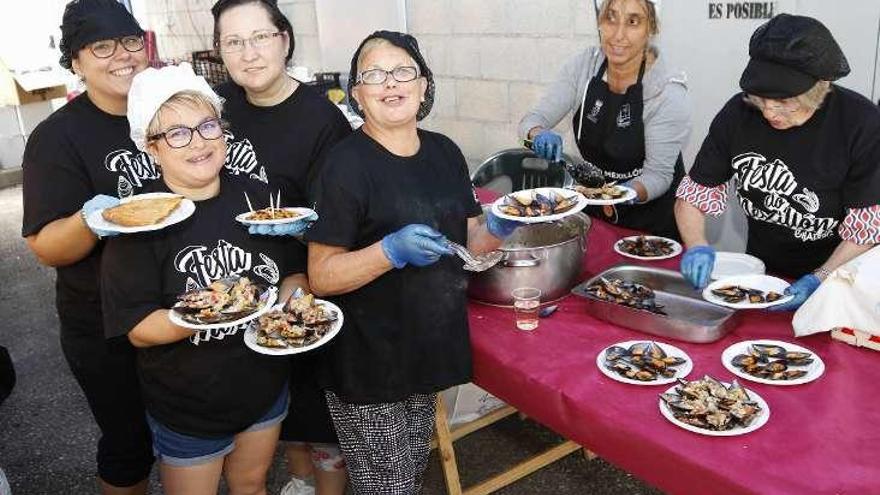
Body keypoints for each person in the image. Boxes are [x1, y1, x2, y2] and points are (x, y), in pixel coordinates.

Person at [303, 31, 520, 493]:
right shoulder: (343, 166)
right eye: (374, 75)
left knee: (406, 470)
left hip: (427, 345)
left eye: (402, 70)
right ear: (358, 94)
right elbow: (321, 275)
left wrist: (501, 225)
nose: (390, 83)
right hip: (369, 360)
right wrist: (388, 252)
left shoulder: (444, 152)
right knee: (388, 484)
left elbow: (472, 241)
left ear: (423, 84)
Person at [100, 63, 306, 495]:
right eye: (176, 133)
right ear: (150, 148)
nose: (197, 142)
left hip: (263, 388)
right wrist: (216, 313)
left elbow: (291, 271)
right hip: (187, 406)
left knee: (251, 485)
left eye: (207, 125)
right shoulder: (141, 223)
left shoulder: (257, 200)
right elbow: (137, 328)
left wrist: (292, 306)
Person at [211, 1, 352, 493]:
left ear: (285, 40)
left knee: (313, 400)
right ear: (220, 51)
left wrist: (294, 238)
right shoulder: (217, 107)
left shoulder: (321, 120)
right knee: (275, 402)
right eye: (234, 42)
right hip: (234, 278)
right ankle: (297, 481)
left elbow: (338, 220)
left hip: (301, 277)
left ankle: (326, 484)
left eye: (260, 38)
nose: (248, 54)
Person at [21, 1, 155, 492]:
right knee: (129, 445)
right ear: (75, 60)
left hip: (174, 309)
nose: (121, 56)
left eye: (129, 42)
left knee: (197, 431)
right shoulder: (58, 138)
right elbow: (46, 248)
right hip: (103, 325)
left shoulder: (165, 113)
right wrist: (92, 220)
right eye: (101, 46)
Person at [675, 13, 880, 311]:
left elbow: (868, 228)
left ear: (820, 87)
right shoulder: (738, 114)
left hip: (839, 279)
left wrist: (819, 278)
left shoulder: (861, 124)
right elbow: (694, 195)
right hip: (764, 275)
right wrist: (696, 245)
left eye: (785, 102)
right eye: (760, 97)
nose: (770, 112)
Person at [519, 0, 690, 239]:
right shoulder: (583, 67)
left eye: (633, 21)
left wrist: (623, 194)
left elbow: (658, 175)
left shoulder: (667, 92)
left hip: (653, 224)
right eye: (610, 18)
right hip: (597, 216)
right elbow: (533, 119)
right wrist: (537, 134)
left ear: (650, 27)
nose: (618, 35)